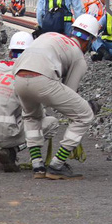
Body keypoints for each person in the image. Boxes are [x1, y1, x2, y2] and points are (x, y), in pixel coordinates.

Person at [13, 14, 101, 180]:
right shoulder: (78, 56)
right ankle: (57, 165)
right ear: (90, 40)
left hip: (18, 77)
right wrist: (88, 106)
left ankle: (37, 165)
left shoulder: (51, 36)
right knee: (84, 116)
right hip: (42, 78)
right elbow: (70, 94)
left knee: (31, 116)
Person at [0, 32, 59, 172]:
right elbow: (35, 113)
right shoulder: (28, 74)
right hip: (5, 134)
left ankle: (8, 151)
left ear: (11, 52)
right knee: (51, 123)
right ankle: (12, 151)